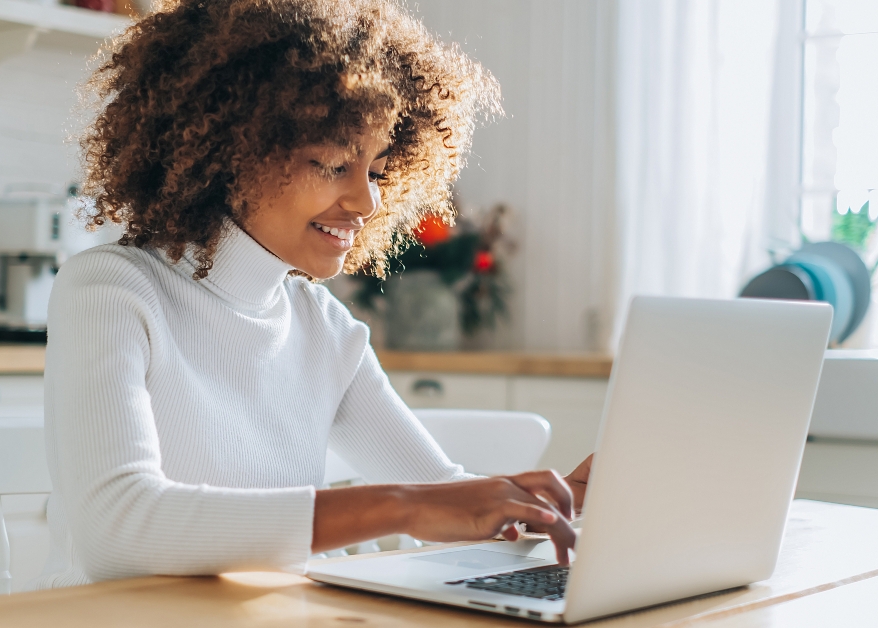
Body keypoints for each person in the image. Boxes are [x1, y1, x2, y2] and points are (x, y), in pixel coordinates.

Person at [35, 0, 593, 588]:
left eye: (376, 171)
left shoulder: (323, 326)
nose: (367, 202)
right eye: (332, 164)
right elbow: (118, 531)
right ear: (229, 155)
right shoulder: (111, 289)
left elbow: (443, 496)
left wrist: (566, 502)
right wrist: (401, 506)